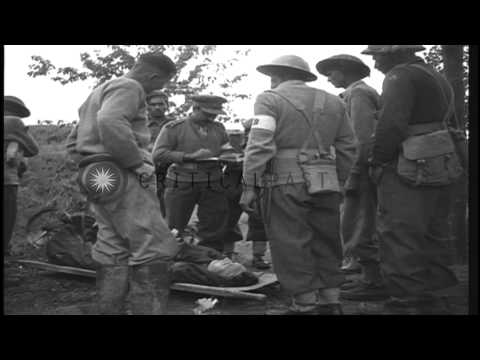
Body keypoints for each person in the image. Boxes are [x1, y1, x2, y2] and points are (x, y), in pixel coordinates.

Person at [240, 55, 356, 315]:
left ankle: (304, 304)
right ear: (305, 77)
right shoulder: (334, 102)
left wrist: (250, 185)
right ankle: (331, 301)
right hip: (326, 181)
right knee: (327, 239)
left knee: (290, 241)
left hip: (284, 181)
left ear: (276, 76)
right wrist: (339, 180)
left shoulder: (269, 98)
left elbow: (259, 144)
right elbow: (349, 146)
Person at [66, 52, 179, 315]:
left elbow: (74, 139)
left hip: (95, 171)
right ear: (152, 76)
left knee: (112, 244)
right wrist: (136, 164)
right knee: (152, 245)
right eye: (160, 84)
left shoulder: (98, 92)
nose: (157, 91)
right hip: (120, 170)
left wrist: (90, 164)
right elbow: (110, 121)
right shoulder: (131, 87)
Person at [361, 45, 461, 314]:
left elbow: (391, 124)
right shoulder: (434, 75)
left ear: (395, 54)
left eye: (378, 55)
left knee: (399, 230)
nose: (376, 62)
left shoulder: (400, 76)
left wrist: (378, 159)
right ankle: (433, 290)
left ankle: (406, 298)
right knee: (433, 229)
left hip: (408, 164)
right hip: (441, 160)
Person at [316, 55, 385, 300]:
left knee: (359, 223)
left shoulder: (358, 95)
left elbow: (361, 137)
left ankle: (374, 281)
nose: (328, 77)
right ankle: (367, 275)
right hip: (359, 167)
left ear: (345, 72)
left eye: (332, 72)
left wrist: (355, 173)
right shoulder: (355, 94)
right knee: (357, 222)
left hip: (361, 169)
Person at [152, 95, 236, 254]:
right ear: (195, 108)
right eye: (208, 114)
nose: (212, 118)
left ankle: (209, 260)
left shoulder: (218, 128)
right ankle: (172, 261)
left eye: (215, 114)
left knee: (214, 227)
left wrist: (229, 156)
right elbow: (158, 154)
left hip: (213, 182)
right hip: (181, 182)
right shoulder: (174, 128)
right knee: (174, 227)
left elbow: (227, 148)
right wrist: (189, 156)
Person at [222, 124, 270, 269]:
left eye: (253, 132)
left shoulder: (264, 148)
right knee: (228, 220)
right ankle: (227, 255)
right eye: (248, 132)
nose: (250, 135)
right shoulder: (233, 146)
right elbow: (223, 159)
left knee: (259, 221)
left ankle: (258, 257)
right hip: (232, 186)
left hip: (257, 186)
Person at [4, 96, 39, 256]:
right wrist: (15, 140)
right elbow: (34, 149)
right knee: (6, 220)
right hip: (7, 181)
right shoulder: (13, 122)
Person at [145, 90, 174, 216]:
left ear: (166, 106)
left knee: (169, 204)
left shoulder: (175, 125)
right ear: (147, 106)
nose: (157, 107)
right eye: (153, 104)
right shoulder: (140, 124)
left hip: (170, 169)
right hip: (146, 168)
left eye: (161, 104)